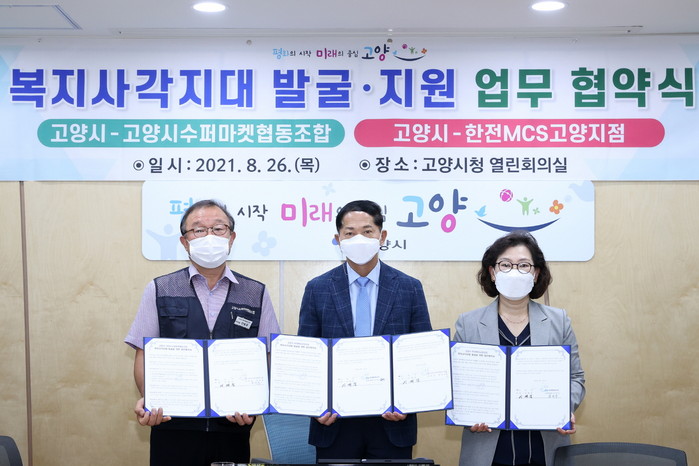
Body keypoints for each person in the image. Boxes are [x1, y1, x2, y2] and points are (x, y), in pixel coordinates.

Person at [124, 199, 281, 466]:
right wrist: (151, 400)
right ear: (185, 242)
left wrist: (255, 403)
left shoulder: (256, 293)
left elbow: (269, 358)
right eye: (198, 229)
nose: (209, 236)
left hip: (232, 428)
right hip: (172, 427)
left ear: (231, 238)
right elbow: (143, 354)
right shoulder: (160, 289)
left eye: (218, 229)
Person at [298, 199, 432, 461]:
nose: (358, 238)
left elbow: (422, 355)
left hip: (392, 421)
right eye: (349, 233)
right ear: (338, 239)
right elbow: (307, 355)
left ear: (382, 236)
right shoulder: (317, 288)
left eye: (367, 231)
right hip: (334, 421)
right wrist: (315, 405)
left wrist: (408, 402)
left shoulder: (409, 287)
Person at [454, 231, 585, 466]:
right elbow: (459, 383)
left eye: (524, 265)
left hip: (545, 449)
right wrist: (467, 414)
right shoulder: (468, 324)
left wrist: (562, 408)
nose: (514, 272)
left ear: (536, 273)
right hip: (487, 450)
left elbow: (576, 378)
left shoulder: (559, 321)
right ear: (492, 272)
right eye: (505, 265)